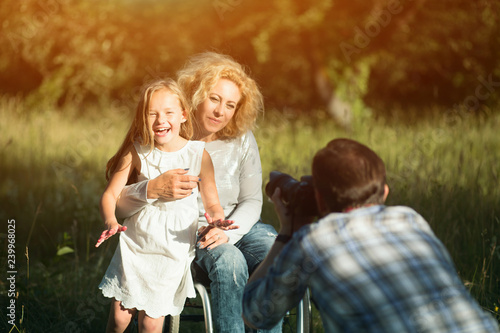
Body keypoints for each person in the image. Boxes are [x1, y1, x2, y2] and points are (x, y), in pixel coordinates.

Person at [242, 138, 500, 332]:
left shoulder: (313, 241)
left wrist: (287, 233)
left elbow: (254, 315)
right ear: (385, 192)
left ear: (320, 200)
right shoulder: (410, 219)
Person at [115, 52, 282, 332]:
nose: (220, 111)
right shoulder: (167, 131)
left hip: (238, 225)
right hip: (190, 232)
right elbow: (119, 206)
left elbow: (252, 200)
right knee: (229, 259)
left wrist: (228, 231)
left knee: (273, 249)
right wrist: (151, 189)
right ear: (196, 95)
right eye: (214, 99)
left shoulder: (242, 138)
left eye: (230, 105)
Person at [96, 79, 237, 333]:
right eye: (152, 114)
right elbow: (109, 195)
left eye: (168, 113)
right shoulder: (137, 152)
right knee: (119, 319)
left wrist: (217, 219)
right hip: (136, 246)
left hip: (172, 249)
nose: (160, 120)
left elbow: (213, 202)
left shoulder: (197, 154)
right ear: (143, 117)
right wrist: (110, 221)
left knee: (150, 324)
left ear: (183, 115)